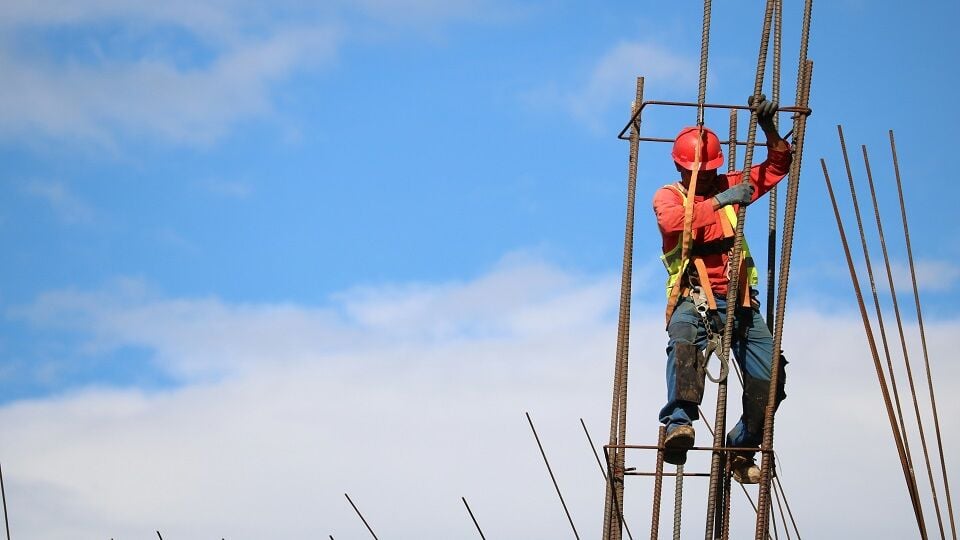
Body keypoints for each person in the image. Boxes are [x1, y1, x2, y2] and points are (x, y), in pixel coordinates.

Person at [651, 95, 789, 483]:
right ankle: (679, 422)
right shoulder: (669, 197)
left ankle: (741, 447)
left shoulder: (730, 185)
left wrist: (768, 128)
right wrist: (721, 199)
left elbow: (778, 166)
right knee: (683, 341)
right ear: (681, 167)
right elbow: (675, 224)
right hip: (693, 299)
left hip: (741, 304)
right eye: (701, 171)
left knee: (771, 381)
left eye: (712, 171)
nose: (708, 177)